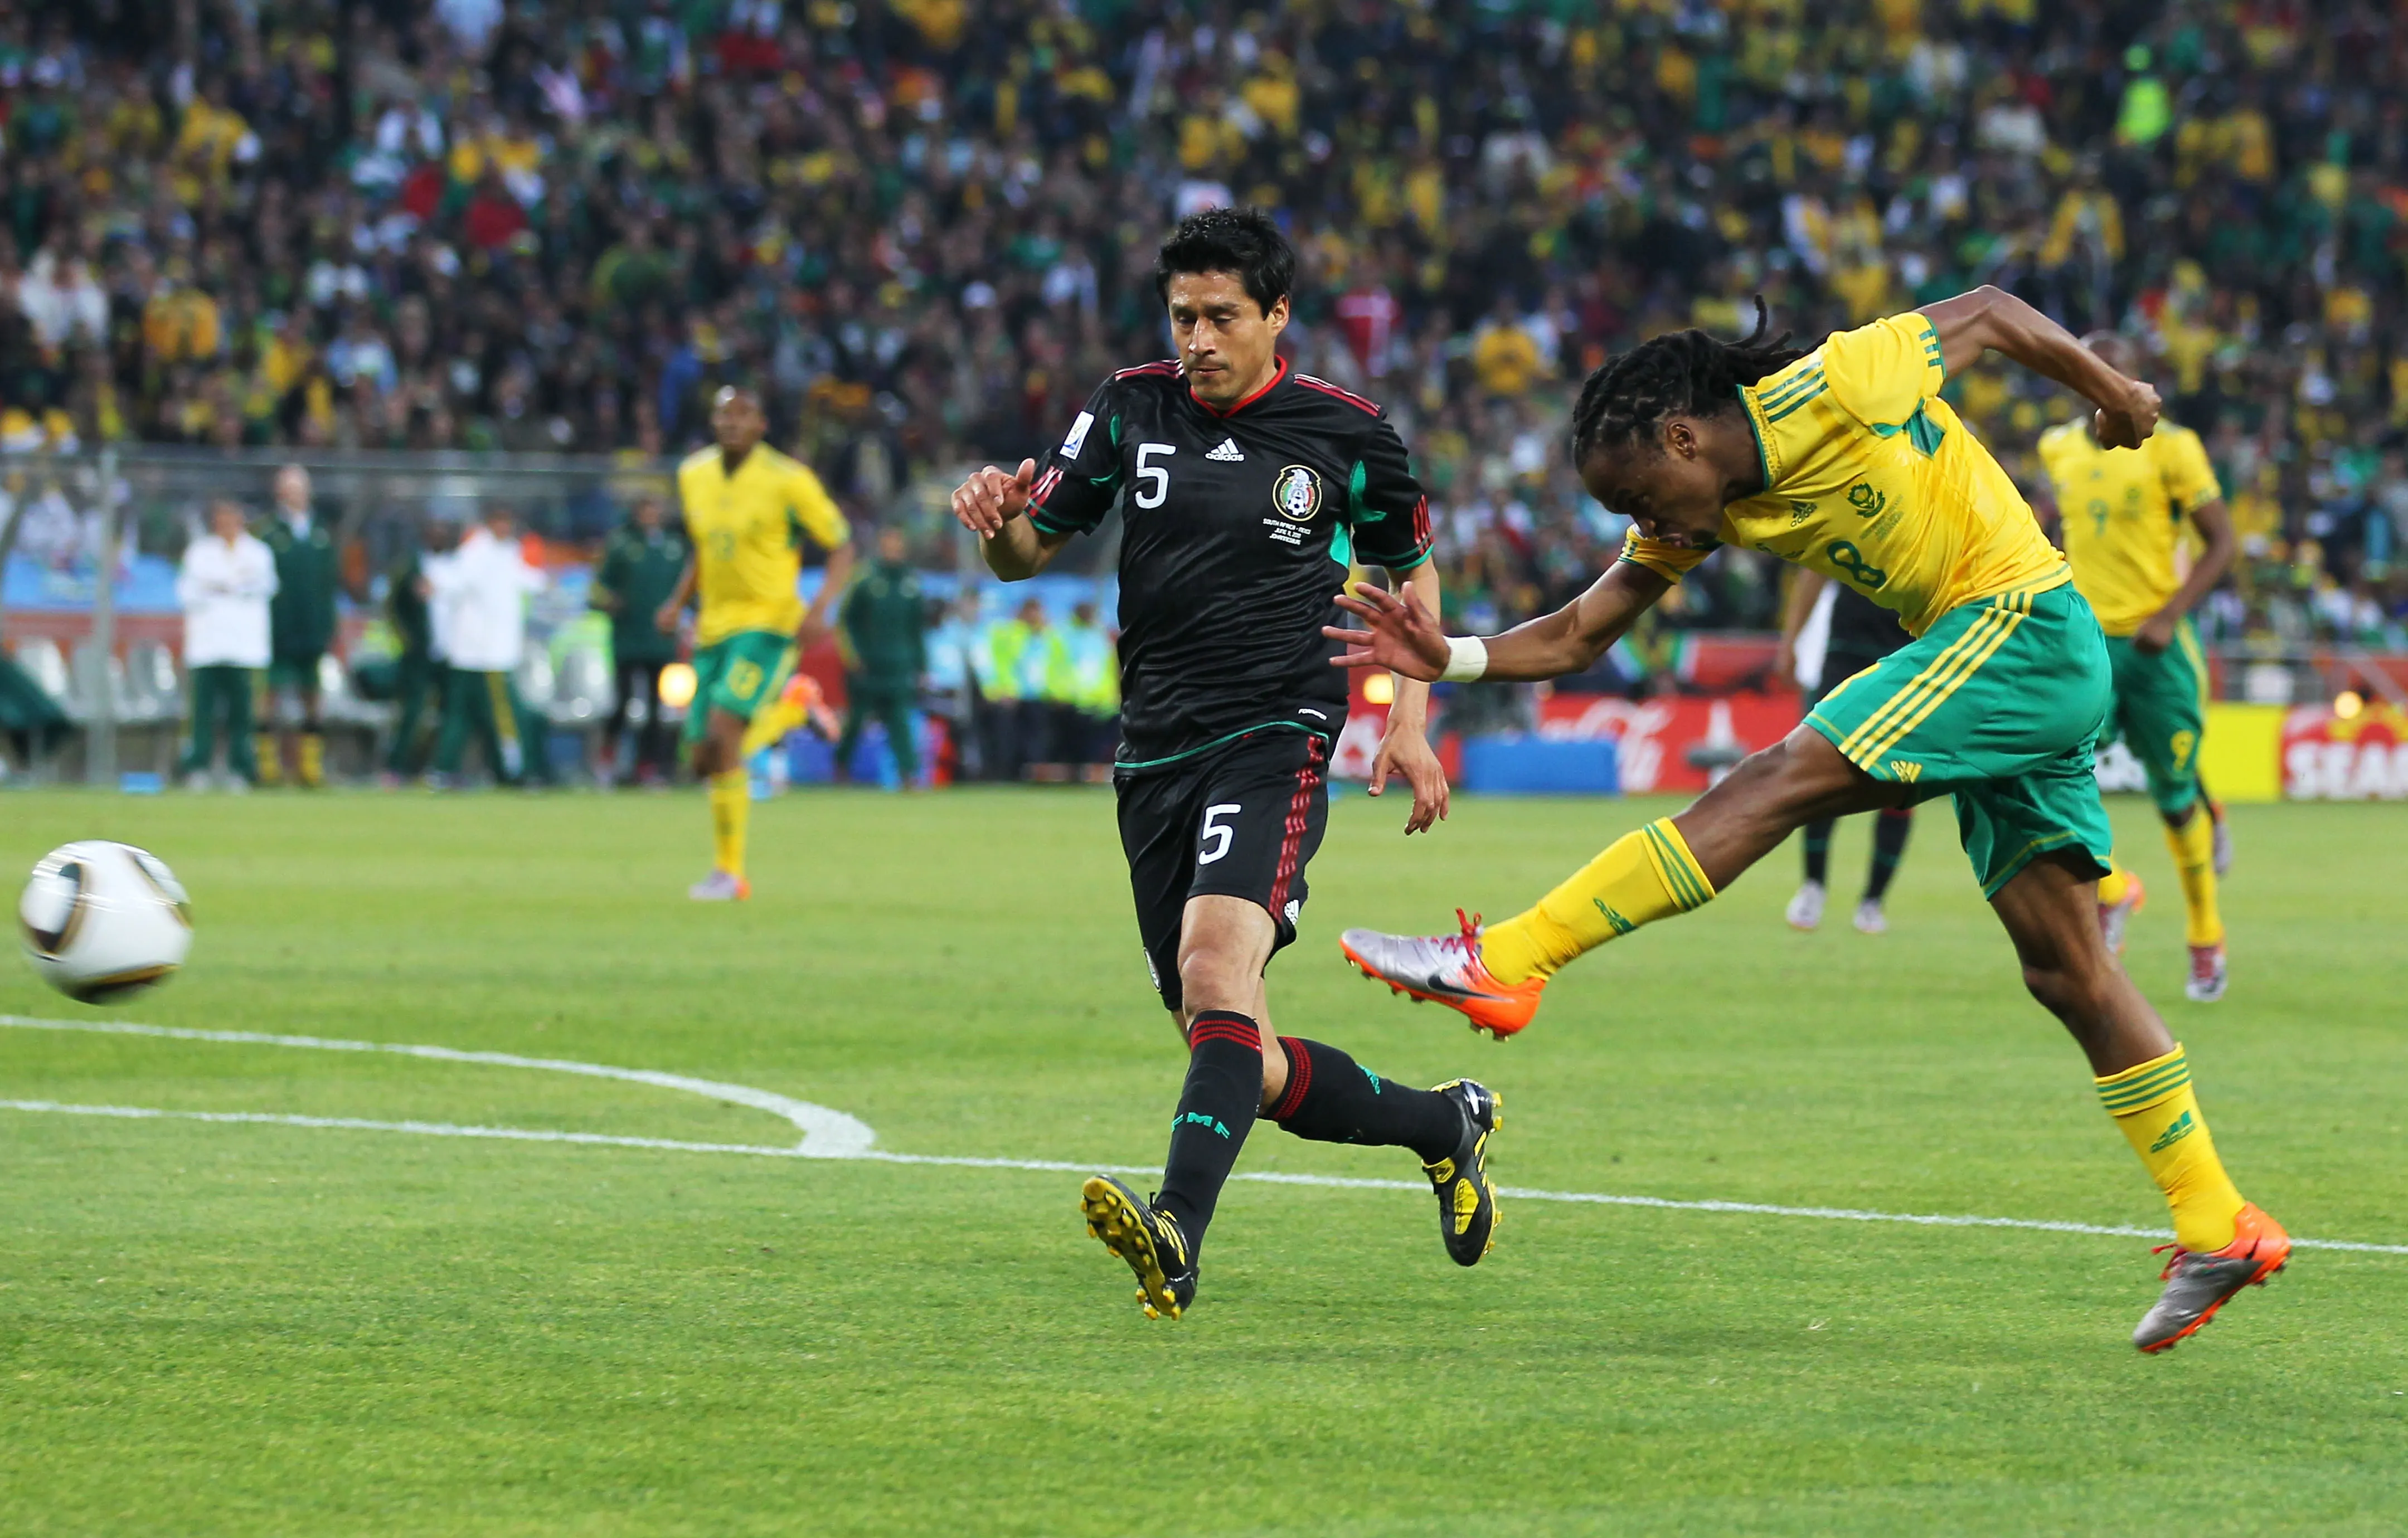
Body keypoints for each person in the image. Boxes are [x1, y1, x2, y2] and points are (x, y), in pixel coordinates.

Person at [1328, 291, 2288, 1354]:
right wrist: (1449, 655)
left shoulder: (1838, 383)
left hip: (2017, 626)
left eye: (1638, 495)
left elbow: (1991, 314)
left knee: (1777, 777)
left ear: (1682, 437)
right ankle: (2220, 1224)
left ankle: (1514, 957)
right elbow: (1577, 633)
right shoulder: (1712, 504)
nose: (1640, 525)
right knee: (2068, 972)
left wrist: (2113, 394)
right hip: (2005, 659)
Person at [949, 206, 1496, 1322]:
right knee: (1236, 1044)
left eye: (1221, 317)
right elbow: (1025, 553)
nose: (1196, 337)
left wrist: (1407, 718)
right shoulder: (1126, 407)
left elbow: (1413, 577)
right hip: (1152, 752)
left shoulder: (1346, 434)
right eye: (1182, 316)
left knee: (1213, 973)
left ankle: (1176, 1234)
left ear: (1276, 317)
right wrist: (994, 522)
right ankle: (1446, 1125)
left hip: (1276, 733)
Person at [2037, 333, 2236, 1002]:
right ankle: (2118, 890)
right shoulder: (2056, 448)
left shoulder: (2174, 446)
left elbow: (2223, 542)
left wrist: (2169, 617)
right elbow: (2058, 532)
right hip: (2087, 645)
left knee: (2175, 802)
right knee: (2044, 779)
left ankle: (2206, 939)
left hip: (2156, 652)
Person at [658, 385, 855, 899]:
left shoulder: (789, 480)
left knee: (725, 732)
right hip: (713, 628)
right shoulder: (692, 474)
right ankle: (792, 708)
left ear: (762, 424)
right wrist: (678, 602)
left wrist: (820, 609)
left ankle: (730, 873)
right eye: (724, 415)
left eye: (744, 415)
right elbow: (706, 548)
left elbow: (841, 546)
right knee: (701, 758)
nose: (732, 424)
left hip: (768, 625)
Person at [1774, 568, 1916, 934]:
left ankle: (1873, 900)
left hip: (1908, 657)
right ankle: (1813, 885)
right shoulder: (1853, 517)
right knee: (1821, 771)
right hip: (1845, 652)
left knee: (1901, 780)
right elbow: (1812, 575)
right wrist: (1791, 641)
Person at [429, 505, 546, 786]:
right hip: (487, 654)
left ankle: (454, 769)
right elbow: (452, 580)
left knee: (465, 716)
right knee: (502, 715)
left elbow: (526, 579)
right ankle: (515, 770)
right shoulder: (478, 553)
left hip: (479, 653)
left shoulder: (505, 552)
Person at [176, 498, 276, 789]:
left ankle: (241, 768)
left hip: (245, 647)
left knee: (242, 713)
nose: (227, 525)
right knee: (201, 712)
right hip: (207, 645)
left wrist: (222, 586)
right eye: (221, 519)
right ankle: (198, 767)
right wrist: (227, 586)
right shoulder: (200, 552)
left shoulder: (258, 553)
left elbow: (264, 586)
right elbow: (188, 592)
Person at [590, 495, 687, 787]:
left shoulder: (674, 548)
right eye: (646, 510)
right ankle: (607, 761)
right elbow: (599, 587)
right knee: (622, 702)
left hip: (661, 641)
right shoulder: (620, 545)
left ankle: (648, 766)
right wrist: (609, 601)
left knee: (659, 708)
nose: (651, 515)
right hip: (628, 639)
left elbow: (687, 587)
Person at [257, 464, 339, 787]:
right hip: (278, 631)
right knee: (269, 696)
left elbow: (328, 583)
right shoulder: (268, 533)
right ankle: (267, 764)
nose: (295, 495)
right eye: (289, 488)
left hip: (312, 630)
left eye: (300, 488)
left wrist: (329, 625)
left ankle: (310, 765)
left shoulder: (321, 532)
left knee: (312, 696)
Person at [834, 525, 927, 787]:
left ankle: (909, 774)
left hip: (899, 666)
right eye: (888, 544)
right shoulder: (865, 579)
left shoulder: (912, 582)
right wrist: (854, 657)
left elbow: (917, 629)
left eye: (897, 545)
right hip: (868, 665)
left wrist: (921, 665)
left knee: (900, 721)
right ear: (880, 545)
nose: (893, 550)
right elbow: (845, 621)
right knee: (856, 720)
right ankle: (841, 766)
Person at [381, 518, 447, 784]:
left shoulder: (455, 564)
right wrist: (408, 640)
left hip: (451, 652)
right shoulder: (410, 565)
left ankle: (435, 767)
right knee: (413, 711)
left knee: (450, 715)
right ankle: (398, 767)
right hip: (419, 654)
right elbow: (392, 606)